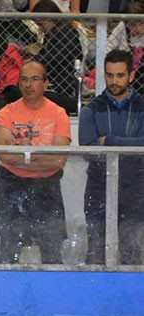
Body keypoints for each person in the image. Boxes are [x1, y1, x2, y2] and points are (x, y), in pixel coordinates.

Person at [0, 59, 71, 264]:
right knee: (9, 250)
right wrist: (39, 155)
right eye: (24, 80)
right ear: (18, 83)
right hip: (11, 187)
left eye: (35, 79)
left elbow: (58, 160)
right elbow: (5, 155)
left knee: (52, 252)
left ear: (46, 83)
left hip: (48, 189)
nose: (29, 85)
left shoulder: (59, 114)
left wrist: (23, 154)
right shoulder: (5, 114)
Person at [79, 49, 144, 264]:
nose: (114, 81)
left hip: (135, 191)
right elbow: (89, 150)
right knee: (95, 253)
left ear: (131, 75)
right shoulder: (91, 109)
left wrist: (110, 141)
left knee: (133, 253)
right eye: (109, 75)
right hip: (99, 189)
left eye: (120, 75)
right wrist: (132, 148)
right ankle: (93, 298)